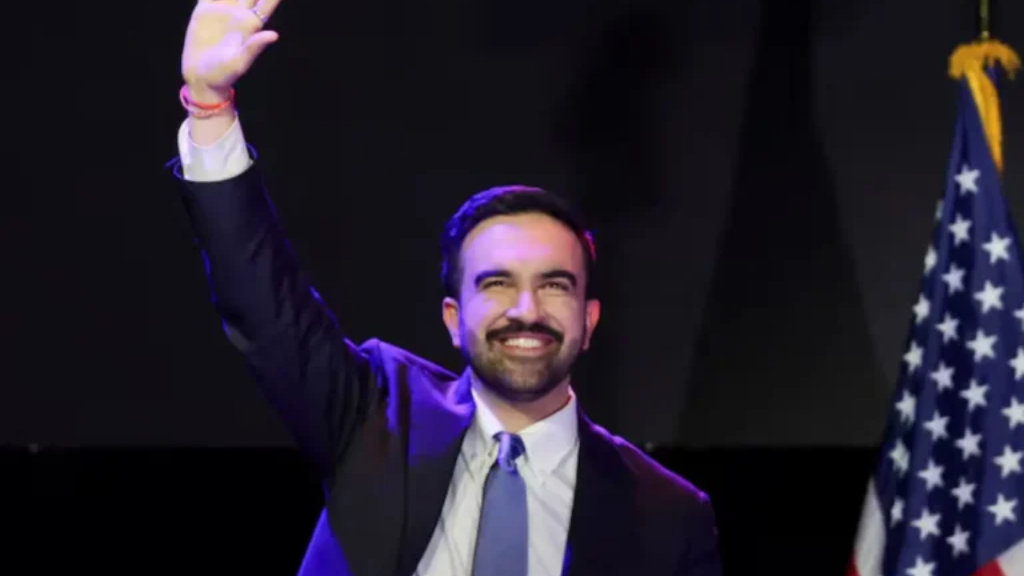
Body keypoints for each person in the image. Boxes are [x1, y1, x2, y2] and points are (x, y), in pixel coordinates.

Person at [171, 1, 723, 575]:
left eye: (555, 285)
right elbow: (264, 305)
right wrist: (210, 106)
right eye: (498, 283)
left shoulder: (668, 513)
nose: (527, 309)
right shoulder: (378, 414)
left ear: (589, 321)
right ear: (453, 318)